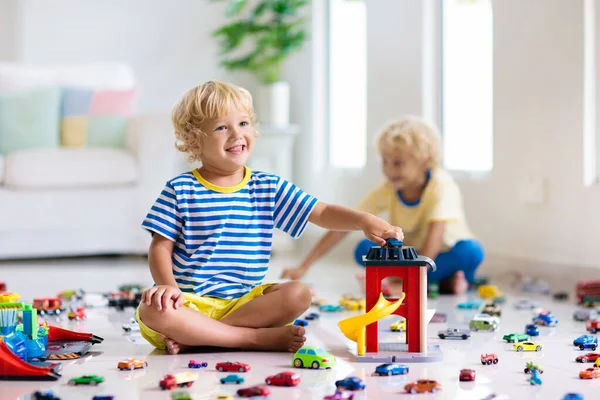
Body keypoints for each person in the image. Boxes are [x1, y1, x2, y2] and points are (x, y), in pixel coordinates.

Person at [136, 80, 404, 355]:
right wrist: (169, 288)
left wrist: (362, 220)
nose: (236, 134)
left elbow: (320, 212)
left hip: (244, 305)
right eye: (221, 127)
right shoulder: (180, 189)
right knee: (152, 311)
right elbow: (160, 247)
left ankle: (202, 337)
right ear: (194, 140)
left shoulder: (267, 187)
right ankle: (250, 339)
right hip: (190, 304)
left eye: (243, 123)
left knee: (298, 293)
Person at [281, 116, 484, 295]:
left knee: (471, 251)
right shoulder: (389, 188)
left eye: (397, 163)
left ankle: (405, 281)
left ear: (425, 162)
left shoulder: (441, 186)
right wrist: (304, 266)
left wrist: (406, 279)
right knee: (364, 248)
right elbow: (344, 226)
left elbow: (434, 240)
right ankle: (444, 283)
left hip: (440, 253)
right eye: (384, 162)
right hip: (409, 255)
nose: (388, 170)